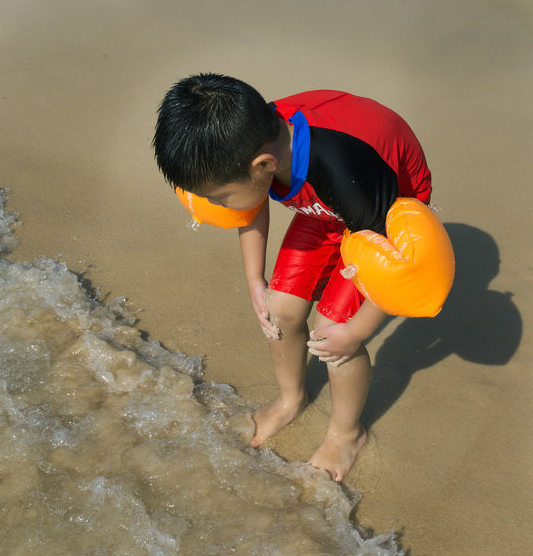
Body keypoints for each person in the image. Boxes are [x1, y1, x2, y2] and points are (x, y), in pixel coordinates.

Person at [153, 73, 432, 481]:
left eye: (218, 197)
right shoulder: (255, 137)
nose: (215, 206)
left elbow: (398, 265)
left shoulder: (338, 166)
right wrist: (254, 279)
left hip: (383, 211)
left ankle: (346, 432)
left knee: (332, 332)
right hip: (326, 206)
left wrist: (356, 332)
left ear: (265, 165)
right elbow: (251, 203)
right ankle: (291, 399)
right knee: (279, 308)